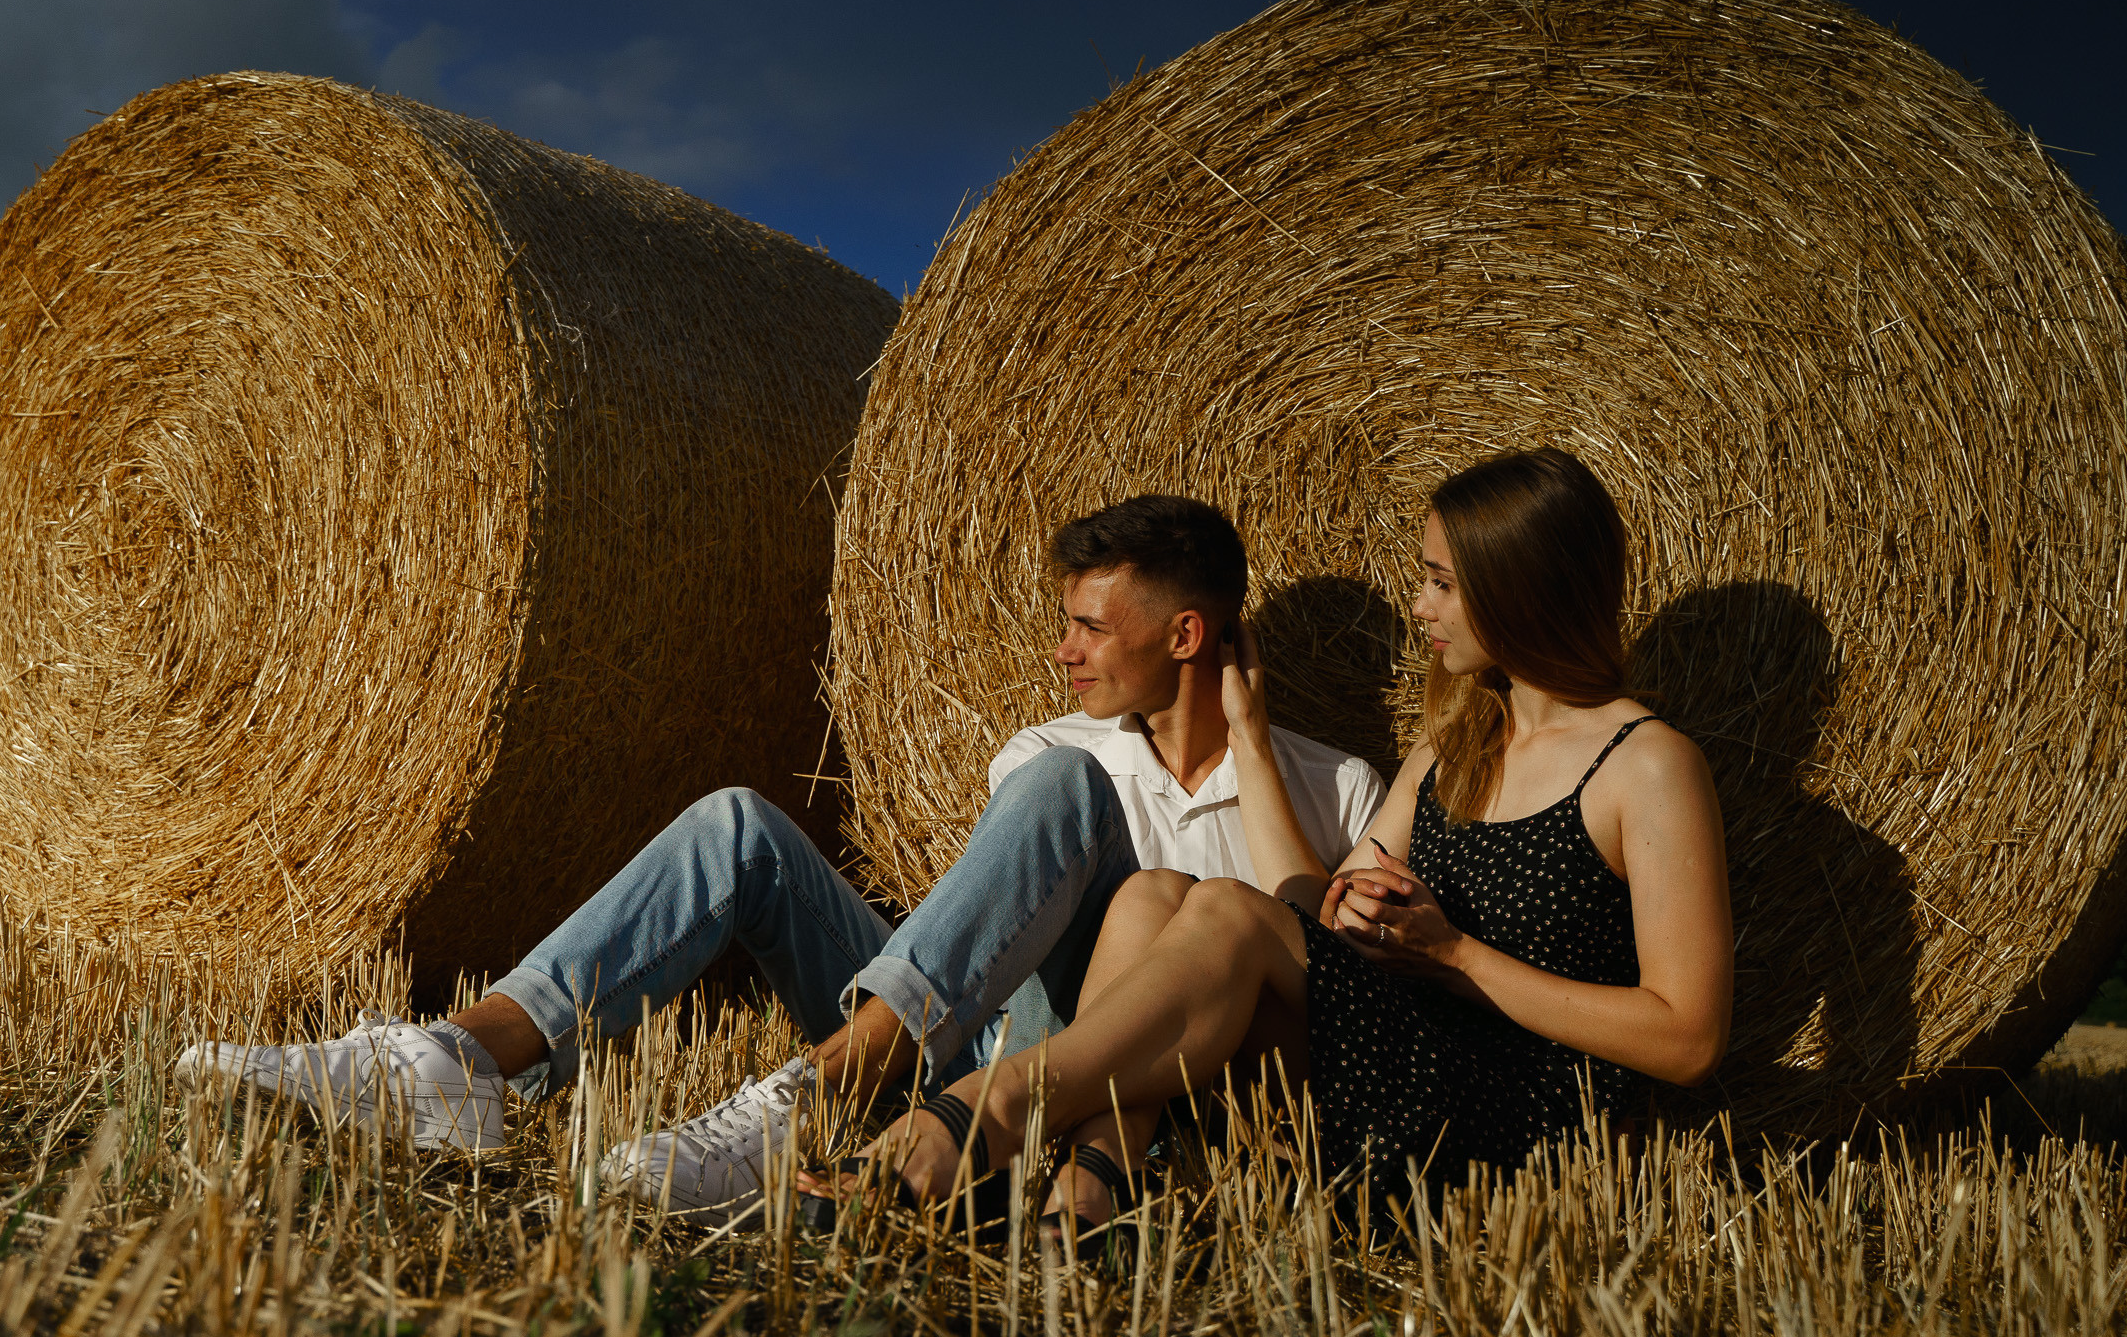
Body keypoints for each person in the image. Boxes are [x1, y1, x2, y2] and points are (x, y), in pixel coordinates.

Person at [175, 495, 1386, 1226]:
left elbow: (1325, 988)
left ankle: (818, 1096)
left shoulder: (1334, 787)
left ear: (1185, 633)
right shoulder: (1050, 748)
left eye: (1088, 623)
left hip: (1111, 1104)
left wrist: (1251, 753)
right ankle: (463, 1057)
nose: (1060, 646)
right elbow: (979, 938)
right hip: (958, 1043)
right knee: (737, 824)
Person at [797, 448, 1732, 1250]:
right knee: (1159, 894)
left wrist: (1455, 957)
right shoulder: (1454, 748)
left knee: (1219, 913)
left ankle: (980, 1118)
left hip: (1512, 1115)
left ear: (1519, 586)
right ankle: (1089, 1195)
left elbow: (1688, 1037)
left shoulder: (1646, 765)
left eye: (1443, 581)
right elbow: (1304, 914)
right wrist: (1250, 731)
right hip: (1388, 1055)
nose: (1419, 604)